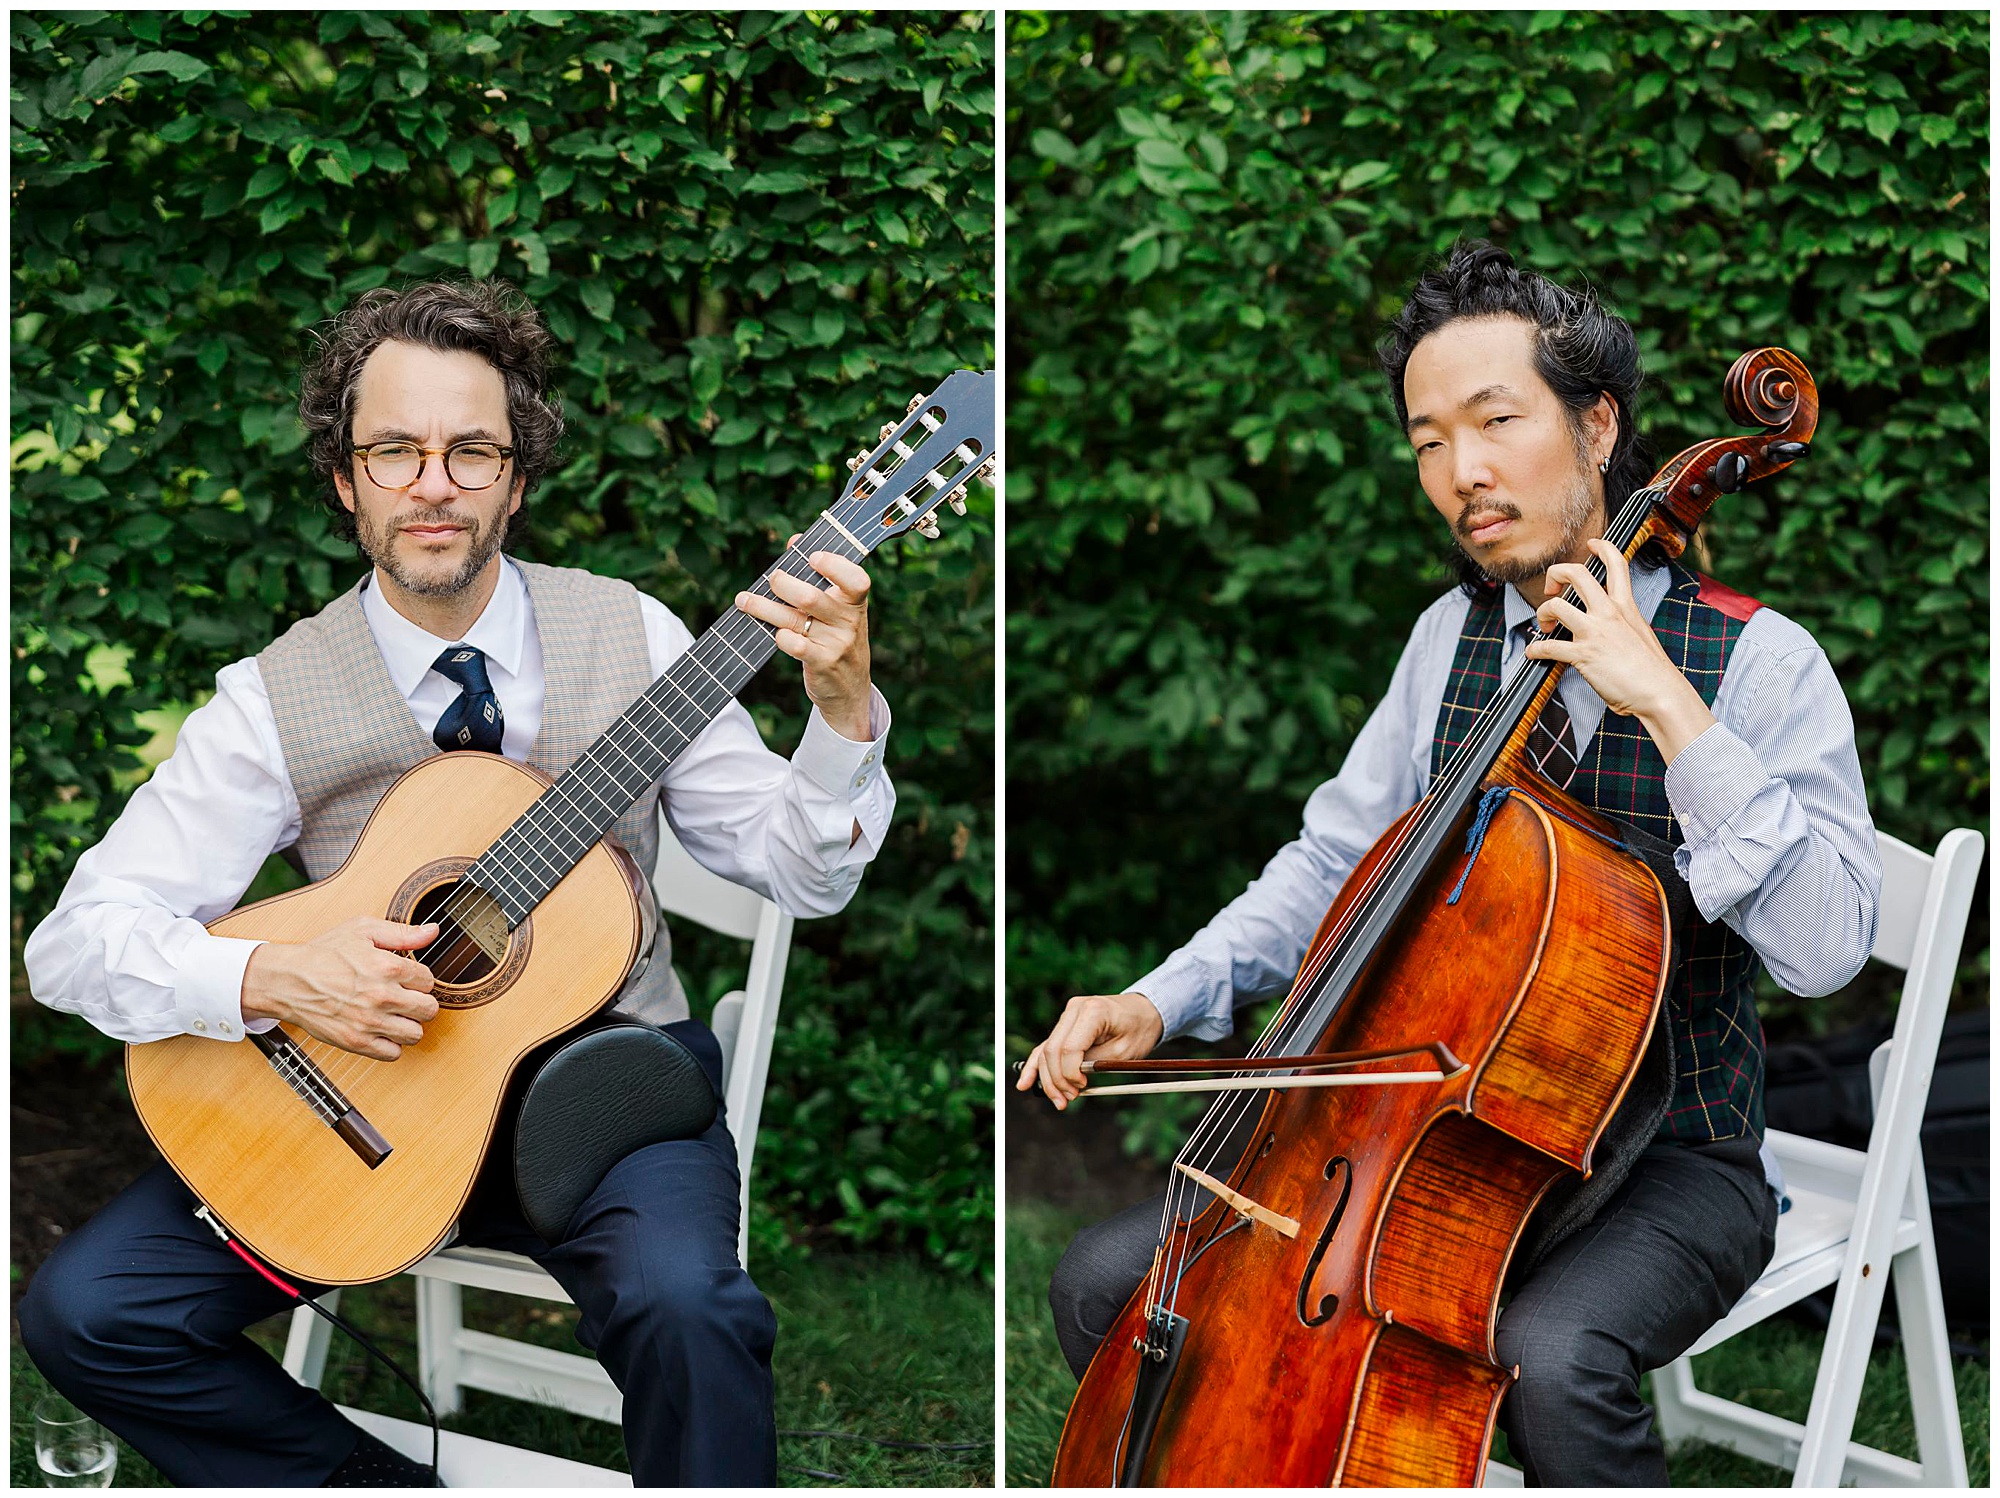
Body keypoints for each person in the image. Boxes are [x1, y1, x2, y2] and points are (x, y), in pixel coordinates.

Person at [1017, 241, 1880, 1485]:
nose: (1460, 473)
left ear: (1596, 425)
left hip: (1677, 1159)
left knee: (1552, 1355)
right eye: (1426, 440)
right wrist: (1158, 999)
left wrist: (1670, 713)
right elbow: (1331, 866)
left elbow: (1822, 949)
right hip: (1435, 1139)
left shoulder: (1760, 663)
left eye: (1494, 421)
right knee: (1113, 1280)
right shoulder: (1450, 638)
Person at [20, 279, 897, 1487]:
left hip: (610, 1101)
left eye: (470, 450)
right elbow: (71, 944)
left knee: (690, 1310)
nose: (432, 483)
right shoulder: (272, 698)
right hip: (363, 1109)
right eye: (393, 450)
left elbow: (800, 873)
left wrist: (843, 709)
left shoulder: (635, 637)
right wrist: (277, 973)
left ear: (516, 476)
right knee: (90, 1310)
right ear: (346, 477)